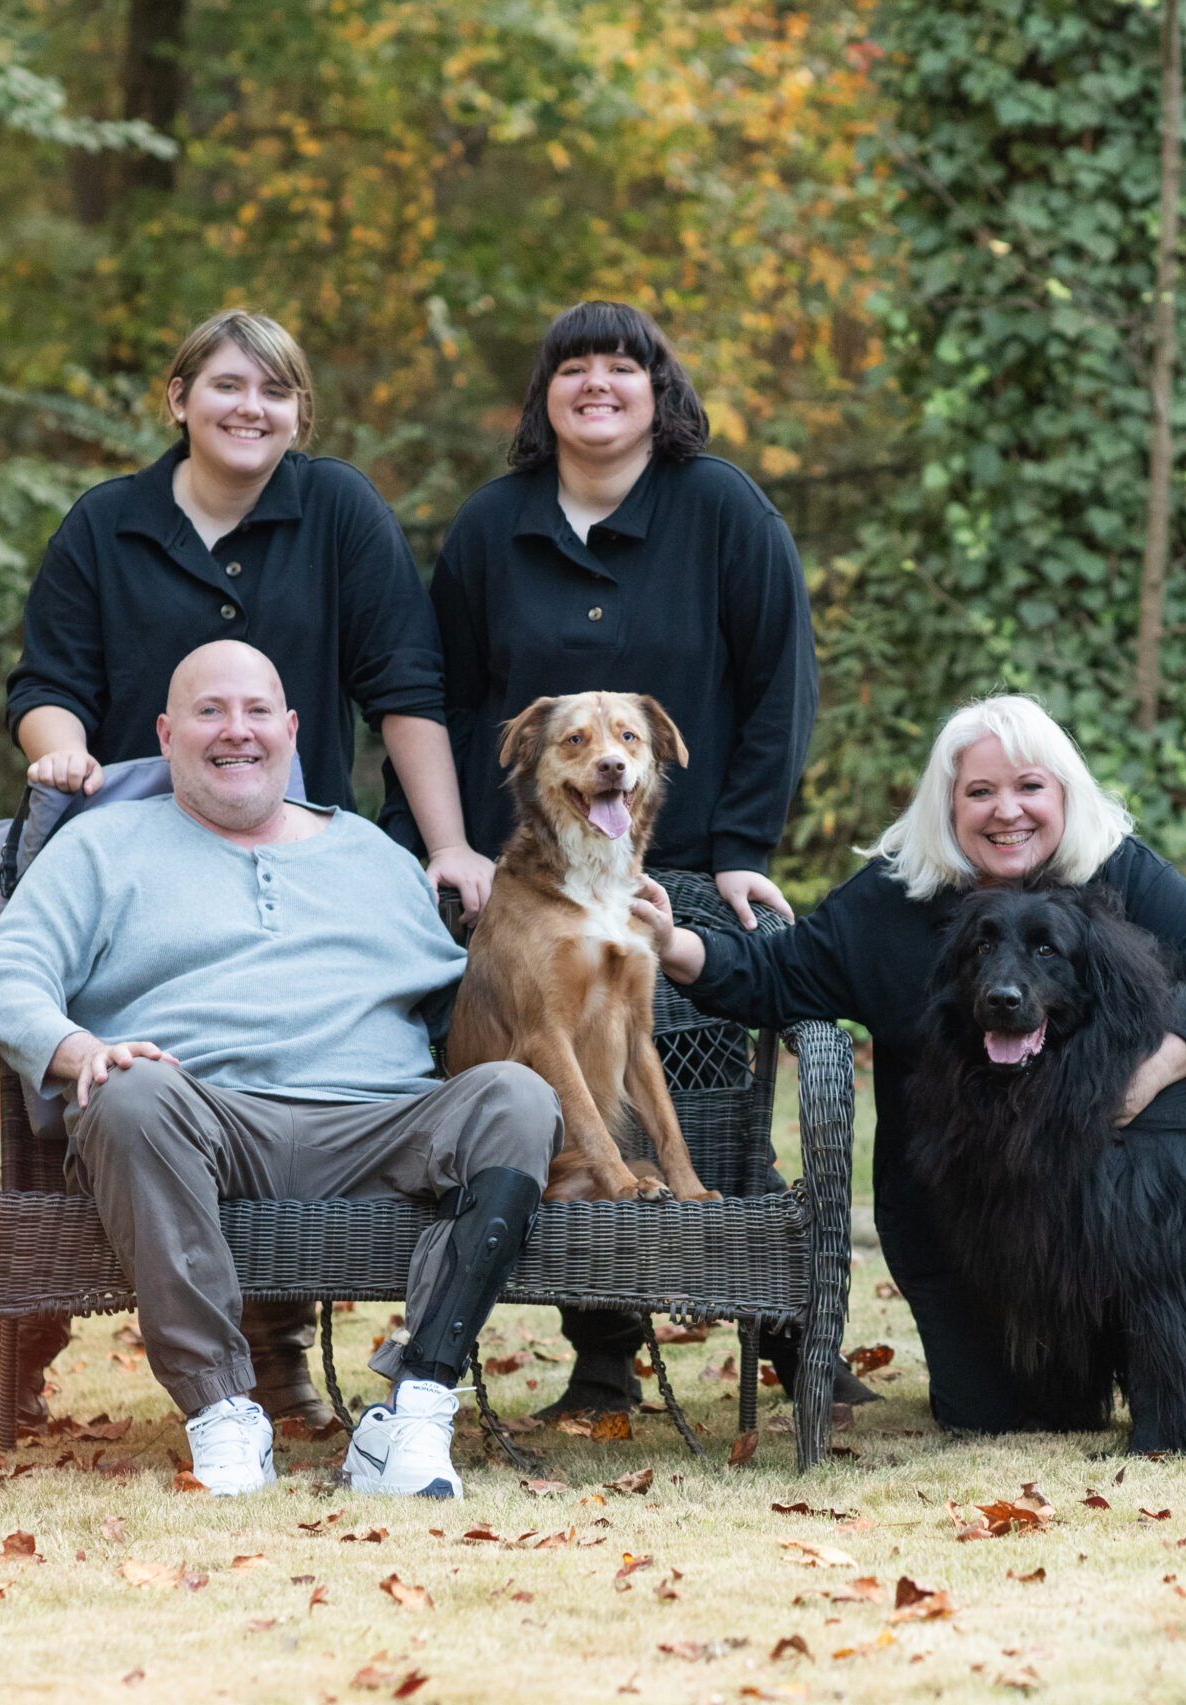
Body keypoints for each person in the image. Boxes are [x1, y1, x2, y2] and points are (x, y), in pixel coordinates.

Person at [0, 308, 494, 1434]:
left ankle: (276, 1356)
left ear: (298, 413)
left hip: (295, 848)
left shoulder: (340, 513)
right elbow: (45, 682)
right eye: (225, 385)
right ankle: (23, 1341)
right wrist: (55, 752)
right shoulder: (107, 525)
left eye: (272, 392)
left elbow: (404, 683)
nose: (247, 408)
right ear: (178, 399)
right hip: (145, 858)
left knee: (298, 1045)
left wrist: (447, 841)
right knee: (134, 1075)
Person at [0, 642, 559, 1498]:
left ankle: (415, 1413)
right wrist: (81, 1050)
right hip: (201, 1119)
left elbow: (479, 993)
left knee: (519, 1099)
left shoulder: (373, 857)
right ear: (165, 735)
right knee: (130, 1096)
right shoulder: (101, 846)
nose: (237, 731)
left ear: (292, 729)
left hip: (378, 1123)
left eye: (258, 711)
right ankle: (223, 1413)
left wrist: (593, 932)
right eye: (209, 712)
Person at [629, 694, 1186, 1433]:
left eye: (1029, 786)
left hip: (1112, 1215)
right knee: (1008, 1417)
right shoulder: (892, 898)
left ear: (1063, 793)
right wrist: (673, 942)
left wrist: (1158, 1067)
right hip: (960, 1223)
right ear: (949, 804)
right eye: (981, 791)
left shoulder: (1115, 870)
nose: (1008, 810)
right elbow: (779, 974)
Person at [414, 300, 822, 1418]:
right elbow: (441, 698)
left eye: (622, 368)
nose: (597, 384)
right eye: (572, 369)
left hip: (679, 866)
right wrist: (449, 847)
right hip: (532, 874)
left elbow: (779, 679)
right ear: (543, 398)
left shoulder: (722, 507)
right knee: (563, 1084)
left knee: (714, 1097)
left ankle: (790, 1340)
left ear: (660, 390)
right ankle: (603, 1361)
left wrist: (739, 850)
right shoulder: (493, 527)